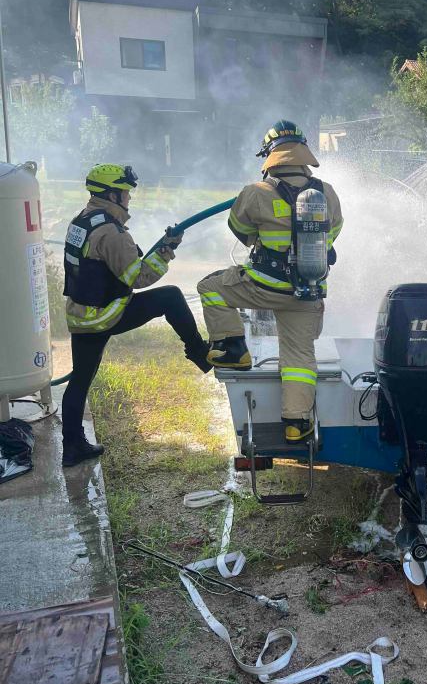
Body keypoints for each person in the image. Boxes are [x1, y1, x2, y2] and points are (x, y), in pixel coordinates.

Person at [197, 121, 343, 443]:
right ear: (303, 153)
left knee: (209, 288)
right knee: (300, 357)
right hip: (307, 291)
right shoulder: (326, 193)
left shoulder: (256, 192)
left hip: (264, 288)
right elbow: (332, 233)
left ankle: (234, 348)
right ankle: (296, 422)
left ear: (271, 156)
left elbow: (240, 230)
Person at [61, 163, 212, 467]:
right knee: (170, 296)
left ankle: (72, 447)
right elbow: (138, 278)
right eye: (126, 192)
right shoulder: (111, 232)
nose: (129, 198)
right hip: (104, 315)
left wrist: (163, 245)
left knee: (79, 380)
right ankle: (199, 352)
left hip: (81, 313)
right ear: (113, 195)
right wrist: (167, 251)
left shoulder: (84, 219)